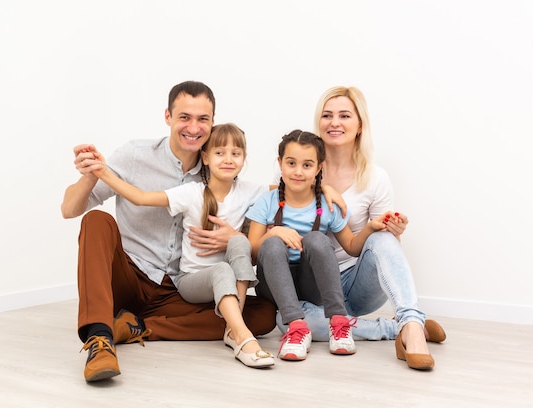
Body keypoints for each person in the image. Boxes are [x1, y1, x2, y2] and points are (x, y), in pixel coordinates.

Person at [60, 81, 278, 382]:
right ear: (168, 117)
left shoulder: (219, 168)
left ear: (212, 122)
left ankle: (138, 326)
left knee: (264, 315)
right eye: (184, 117)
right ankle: (100, 338)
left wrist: (322, 189)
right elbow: (69, 210)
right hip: (131, 276)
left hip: (177, 289)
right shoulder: (135, 154)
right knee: (96, 220)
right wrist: (91, 175)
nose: (193, 127)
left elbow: (279, 193)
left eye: (203, 119)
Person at [90, 123, 274, 368]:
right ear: (205, 157)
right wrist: (104, 173)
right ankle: (242, 336)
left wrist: (323, 189)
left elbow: (289, 188)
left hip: (222, 288)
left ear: (244, 158)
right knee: (223, 270)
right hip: (190, 282)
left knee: (265, 309)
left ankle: (232, 324)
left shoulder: (250, 191)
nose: (228, 159)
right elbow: (141, 198)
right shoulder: (192, 192)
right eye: (220, 153)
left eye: (235, 153)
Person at [302, 85, 447, 370]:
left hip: (356, 286)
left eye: (344, 116)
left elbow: (383, 250)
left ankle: (411, 325)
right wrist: (321, 188)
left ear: (359, 126)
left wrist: (393, 231)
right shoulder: (300, 169)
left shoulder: (376, 177)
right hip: (315, 289)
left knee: (382, 238)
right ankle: (395, 329)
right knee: (290, 324)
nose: (334, 123)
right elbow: (274, 205)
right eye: (327, 115)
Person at [246, 129, 389, 361]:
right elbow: (252, 252)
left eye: (307, 165)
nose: (298, 172)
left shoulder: (328, 206)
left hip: (311, 286)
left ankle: (338, 321)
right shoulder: (267, 202)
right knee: (272, 243)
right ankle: (296, 327)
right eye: (291, 163)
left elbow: (352, 247)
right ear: (280, 164)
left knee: (316, 239)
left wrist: (371, 227)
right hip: (273, 284)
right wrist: (277, 232)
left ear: (319, 168)